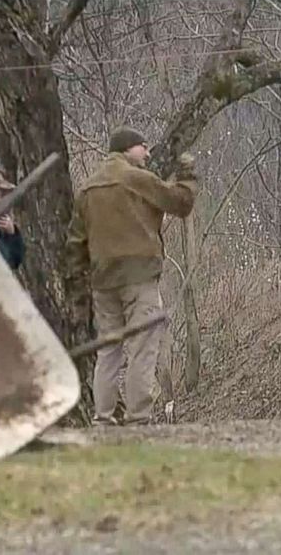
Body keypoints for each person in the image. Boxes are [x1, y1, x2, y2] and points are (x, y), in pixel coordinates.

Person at [65, 126, 198, 426]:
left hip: (102, 282)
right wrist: (187, 174)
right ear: (127, 149)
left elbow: (75, 244)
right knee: (142, 346)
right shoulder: (137, 179)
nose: (148, 154)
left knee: (108, 351)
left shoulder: (87, 188)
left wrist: (80, 286)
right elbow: (181, 204)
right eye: (143, 147)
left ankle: (103, 416)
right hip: (139, 277)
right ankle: (139, 417)